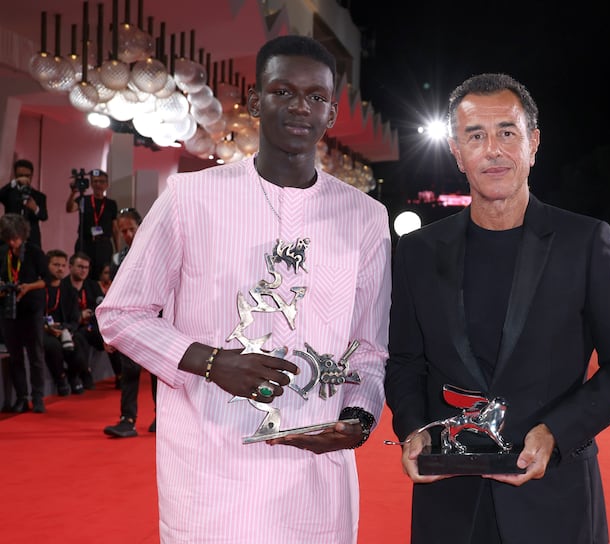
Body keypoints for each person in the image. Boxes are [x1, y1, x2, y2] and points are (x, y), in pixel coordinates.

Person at [96, 35, 391, 543]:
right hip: (212, 466)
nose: (300, 107)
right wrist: (212, 362)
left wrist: (359, 418)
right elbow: (122, 314)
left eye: (316, 96)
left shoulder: (365, 217)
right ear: (255, 101)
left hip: (315, 477)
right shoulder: (189, 198)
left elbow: (368, 346)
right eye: (283, 91)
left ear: (331, 114)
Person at [384, 73, 610, 543]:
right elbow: (405, 361)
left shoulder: (585, 242)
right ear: (456, 152)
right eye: (476, 136)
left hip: (555, 500)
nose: (493, 150)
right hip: (449, 502)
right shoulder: (418, 252)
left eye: (507, 133)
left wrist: (556, 432)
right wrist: (414, 429)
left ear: (533, 144)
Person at [102, 208, 158, 437]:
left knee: (157, 372)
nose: (128, 235)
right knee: (129, 370)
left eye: (131, 229)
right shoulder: (118, 259)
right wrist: (109, 329)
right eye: (123, 231)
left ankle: (162, 416)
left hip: (157, 320)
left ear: (141, 226)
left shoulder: (157, 252)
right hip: (130, 321)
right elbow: (115, 293)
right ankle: (127, 420)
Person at [0, 213, 48, 413]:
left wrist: (29, 287)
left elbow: (47, 280)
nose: (12, 242)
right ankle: (22, 397)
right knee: (15, 356)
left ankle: (38, 397)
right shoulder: (3, 252)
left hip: (31, 309)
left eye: (15, 238)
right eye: (9, 238)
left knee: (35, 354)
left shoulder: (35, 252)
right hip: (8, 309)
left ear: (22, 234)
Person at [43, 248, 91, 396]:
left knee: (79, 340)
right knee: (53, 345)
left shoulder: (68, 290)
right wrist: (47, 328)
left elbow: (75, 317)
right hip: (44, 330)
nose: (60, 269)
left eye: (63, 265)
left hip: (65, 329)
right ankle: (61, 378)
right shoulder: (40, 287)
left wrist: (67, 329)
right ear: (47, 265)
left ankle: (74, 375)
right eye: (56, 265)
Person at [65, 168, 118, 281]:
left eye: (101, 181)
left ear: (107, 185)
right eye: (95, 181)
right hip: (85, 243)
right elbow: (70, 208)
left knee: (103, 275)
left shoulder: (111, 204)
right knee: (83, 273)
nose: (98, 184)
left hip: (104, 244)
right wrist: (73, 193)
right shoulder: (83, 199)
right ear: (91, 184)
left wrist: (117, 249)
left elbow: (115, 228)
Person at [67, 251, 106, 389]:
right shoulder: (64, 286)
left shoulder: (93, 286)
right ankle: (85, 374)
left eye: (86, 267)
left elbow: (101, 307)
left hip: (92, 325)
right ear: (70, 267)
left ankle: (121, 375)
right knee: (79, 338)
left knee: (111, 336)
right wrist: (79, 316)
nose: (83, 270)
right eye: (80, 267)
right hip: (73, 327)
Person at [0, 159, 49, 248]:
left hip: (32, 240)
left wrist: (35, 208)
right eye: (20, 175)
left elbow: (44, 216)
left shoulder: (39, 196)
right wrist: (14, 182)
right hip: (10, 237)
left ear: (32, 175)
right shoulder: (9, 193)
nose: (24, 178)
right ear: (15, 175)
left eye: (27, 175)